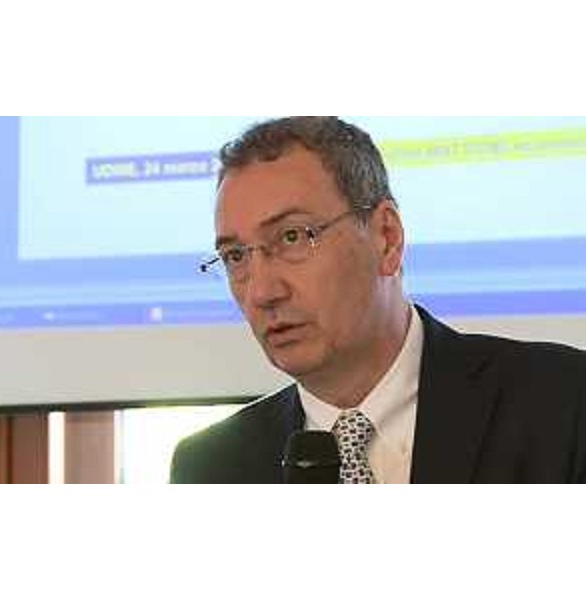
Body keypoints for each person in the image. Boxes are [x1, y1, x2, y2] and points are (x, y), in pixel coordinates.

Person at [171, 116, 586, 484]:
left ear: (387, 238)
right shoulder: (211, 468)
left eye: (292, 237)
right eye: (236, 256)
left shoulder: (562, 402)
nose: (262, 292)